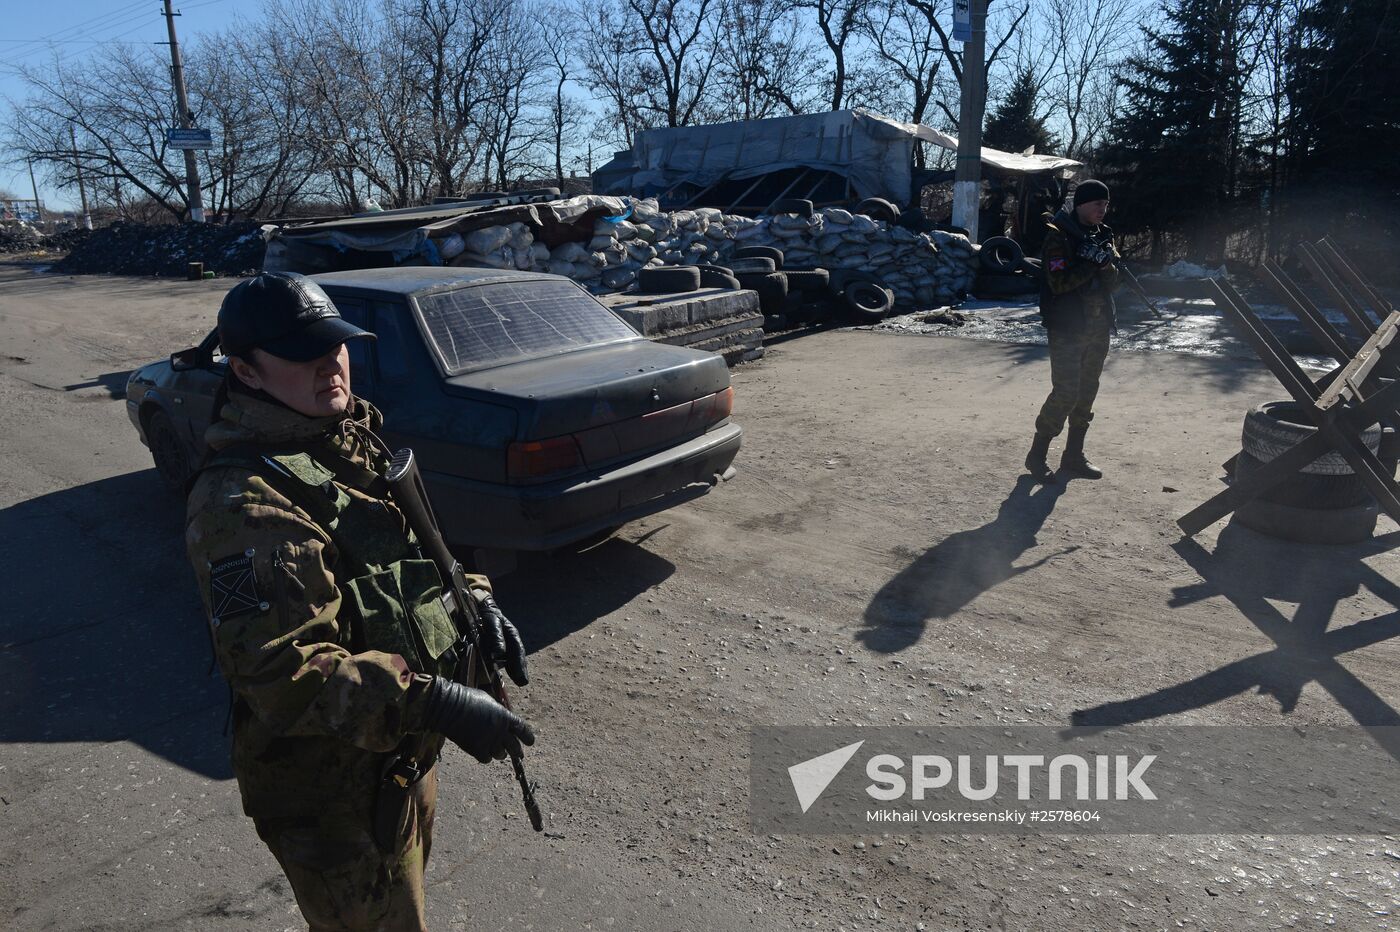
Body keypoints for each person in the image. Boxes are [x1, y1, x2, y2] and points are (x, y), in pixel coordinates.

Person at [184, 271, 534, 931]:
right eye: (301, 354)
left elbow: (414, 554)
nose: (329, 364)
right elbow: (284, 674)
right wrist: (437, 702)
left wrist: (477, 599)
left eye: (335, 345)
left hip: (394, 762)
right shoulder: (244, 502)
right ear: (247, 372)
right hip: (331, 801)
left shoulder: (342, 438)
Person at [1025, 179, 1119, 482]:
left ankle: (1074, 455)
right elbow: (1058, 283)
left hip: (1098, 325)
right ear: (1081, 204)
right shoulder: (1059, 237)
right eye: (1097, 203)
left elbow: (1113, 283)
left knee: (1087, 391)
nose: (1102, 209)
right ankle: (1037, 455)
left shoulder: (1103, 235)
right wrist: (1088, 263)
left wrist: (1105, 264)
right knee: (1066, 392)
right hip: (1067, 326)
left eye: (1105, 204)